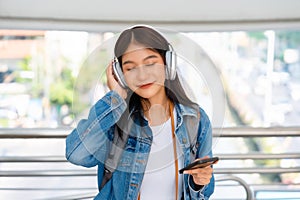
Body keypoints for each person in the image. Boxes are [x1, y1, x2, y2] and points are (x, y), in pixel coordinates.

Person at [66, 25, 216, 200]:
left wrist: (199, 182)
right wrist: (116, 98)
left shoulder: (195, 120)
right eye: (130, 68)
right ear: (120, 75)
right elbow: (77, 154)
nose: (142, 75)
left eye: (150, 63)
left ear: (168, 63)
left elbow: (206, 190)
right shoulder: (115, 121)